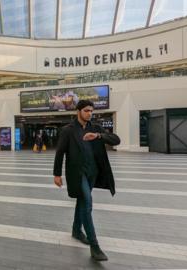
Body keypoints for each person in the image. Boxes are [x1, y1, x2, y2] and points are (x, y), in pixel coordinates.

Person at [53, 100, 120, 261]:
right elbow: (60, 152)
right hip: (77, 174)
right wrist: (57, 174)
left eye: (91, 111)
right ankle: (94, 246)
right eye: (86, 110)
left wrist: (98, 136)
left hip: (93, 173)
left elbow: (116, 140)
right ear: (78, 111)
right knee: (87, 203)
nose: (89, 113)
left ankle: (76, 230)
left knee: (82, 201)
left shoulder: (95, 128)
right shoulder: (68, 130)